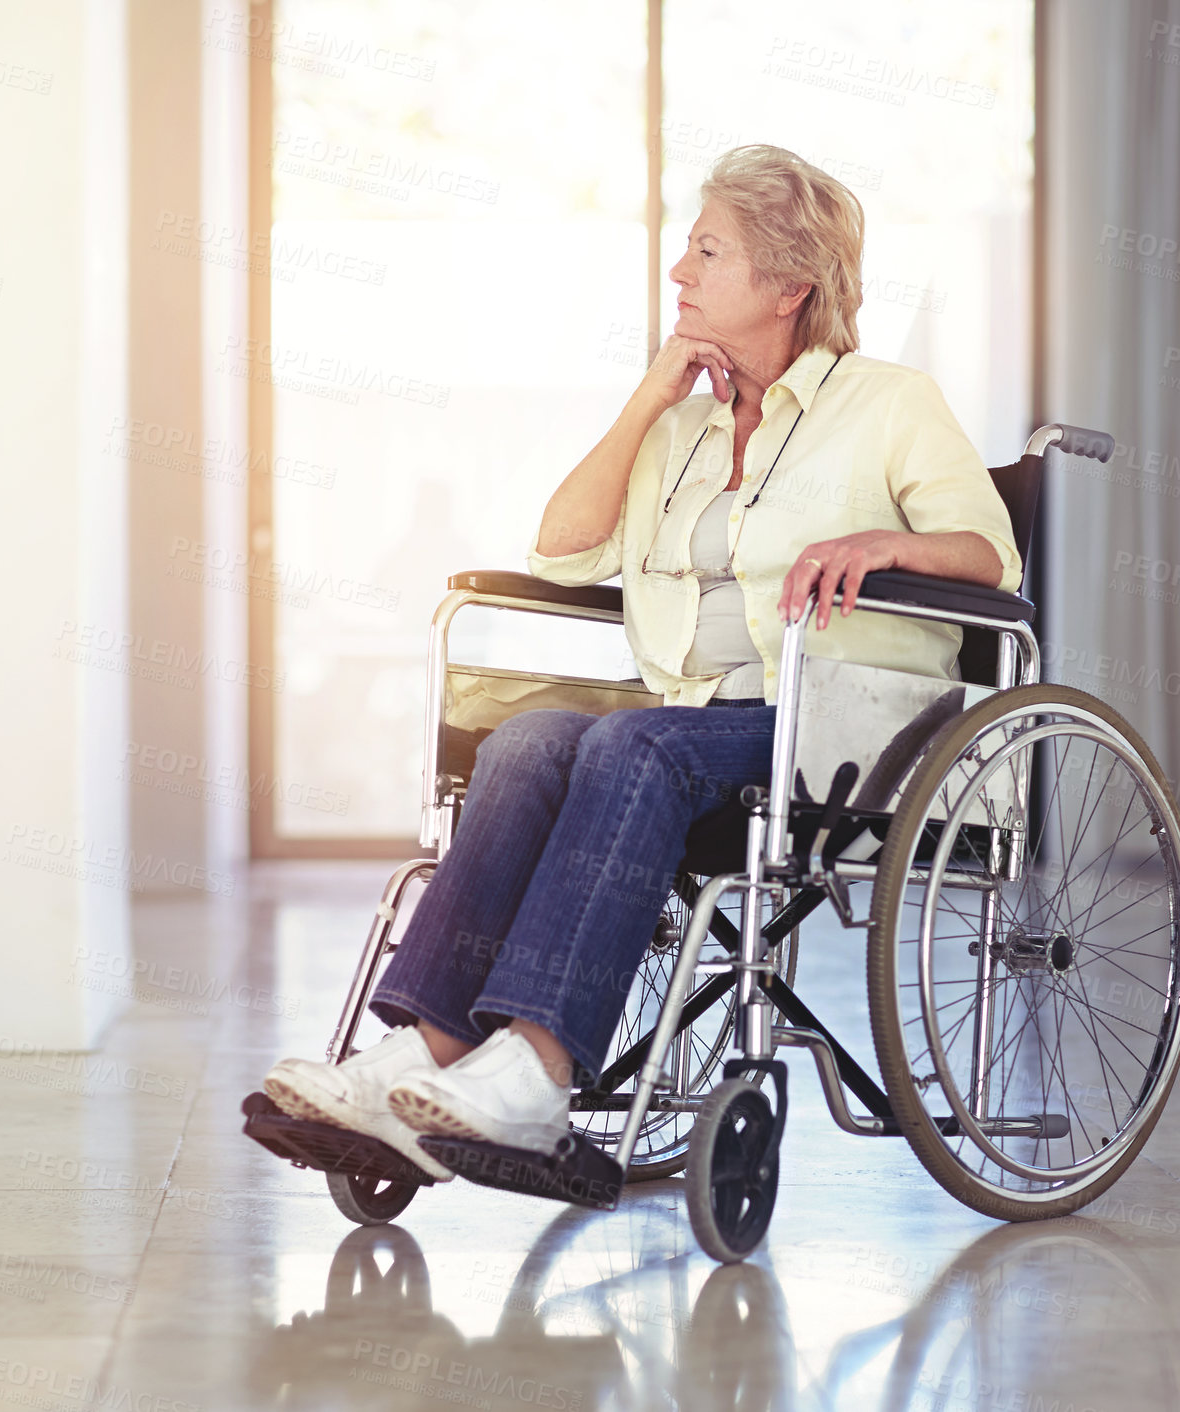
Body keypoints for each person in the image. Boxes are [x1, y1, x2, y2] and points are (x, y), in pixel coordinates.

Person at [263, 144, 1022, 1181]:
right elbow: (560, 551)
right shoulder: (687, 426)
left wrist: (880, 544)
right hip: (686, 713)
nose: (678, 273)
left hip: (833, 724)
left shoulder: (887, 404)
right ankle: (423, 1051)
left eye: (706, 251)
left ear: (788, 285)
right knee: (529, 739)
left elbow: (989, 557)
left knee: (633, 741)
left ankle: (534, 1069)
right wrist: (644, 402)